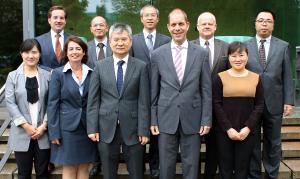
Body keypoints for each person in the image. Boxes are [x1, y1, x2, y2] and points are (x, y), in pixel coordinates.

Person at [150, 9, 212, 179]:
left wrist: (206, 118)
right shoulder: (157, 55)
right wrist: (153, 118)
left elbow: (206, 89)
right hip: (165, 117)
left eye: (181, 24)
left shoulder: (201, 53)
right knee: (166, 165)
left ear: (188, 25)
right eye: (174, 24)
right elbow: (153, 91)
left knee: (191, 165)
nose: (177, 28)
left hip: (193, 116)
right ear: (168, 27)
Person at [86, 23, 150, 179]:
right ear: (110, 41)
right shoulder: (99, 66)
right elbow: (93, 101)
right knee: (108, 173)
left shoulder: (141, 67)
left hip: (134, 128)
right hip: (106, 127)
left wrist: (144, 129)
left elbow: (144, 101)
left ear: (130, 41)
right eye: (116, 39)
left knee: (136, 172)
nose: (120, 43)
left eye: (124, 39)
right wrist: (92, 128)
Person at [247, 10, 294, 179]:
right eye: (261, 20)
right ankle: (253, 175)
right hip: (251, 104)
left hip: (275, 102)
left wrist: (289, 100)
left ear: (273, 25)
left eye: (268, 21)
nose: (264, 24)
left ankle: (271, 174)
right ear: (256, 24)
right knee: (251, 143)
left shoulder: (283, 46)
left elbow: (287, 75)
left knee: (273, 142)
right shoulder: (245, 45)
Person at [47, 36, 97, 179]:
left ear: (84, 52)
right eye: (71, 49)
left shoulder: (92, 73)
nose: (74, 52)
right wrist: (54, 132)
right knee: (69, 166)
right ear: (66, 52)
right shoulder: (58, 73)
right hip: (66, 128)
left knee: (84, 166)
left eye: (78, 49)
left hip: (87, 127)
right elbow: (52, 104)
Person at [213, 41, 264, 179]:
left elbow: (259, 105)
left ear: (247, 56)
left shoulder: (256, 78)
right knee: (225, 168)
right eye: (234, 56)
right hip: (224, 132)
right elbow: (216, 104)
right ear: (228, 57)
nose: (238, 59)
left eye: (241, 55)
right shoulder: (220, 77)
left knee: (243, 169)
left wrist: (248, 128)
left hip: (246, 132)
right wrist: (228, 128)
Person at [131, 5, 170, 178]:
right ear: (141, 19)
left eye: (153, 15)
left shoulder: (166, 40)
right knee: (139, 128)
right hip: (137, 90)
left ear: (158, 19)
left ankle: (155, 165)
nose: (149, 18)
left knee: (156, 129)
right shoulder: (132, 39)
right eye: (146, 15)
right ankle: (139, 165)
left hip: (161, 89)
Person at [5, 39, 51, 179]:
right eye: (26, 52)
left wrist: (44, 125)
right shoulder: (12, 76)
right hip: (21, 132)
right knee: (23, 174)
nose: (30, 56)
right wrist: (25, 125)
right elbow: (10, 103)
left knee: (42, 173)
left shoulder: (48, 75)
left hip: (43, 131)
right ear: (21, 54)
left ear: (39, 54)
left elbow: (52, 103)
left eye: (34, 52)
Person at [192, 12, 229, 179]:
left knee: (214, 145)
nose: (207, 26)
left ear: (215, 26)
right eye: (203, 24)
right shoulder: (188, 46)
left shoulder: (226, 47)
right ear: (197, 27)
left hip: (217, 105)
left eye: (210, 23)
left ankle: (209, 175)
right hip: (193, 103)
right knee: (192, 145)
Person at [36, 5, 70, 70]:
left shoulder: (73, 40)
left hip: (68, 79)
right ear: (49, 20)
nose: (58, 20)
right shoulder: (38, 41)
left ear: (65, 21)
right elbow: (35, 63)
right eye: (55, 17)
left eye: (61, 18)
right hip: (46, 79)